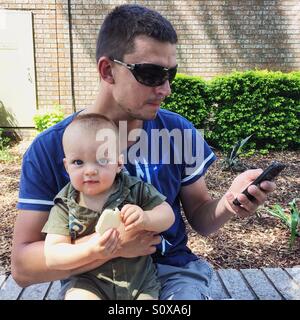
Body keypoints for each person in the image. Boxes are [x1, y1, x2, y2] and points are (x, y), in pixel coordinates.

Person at [12, 4, 276, 300]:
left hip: (173, 275)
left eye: (170, 74)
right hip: (93, 281)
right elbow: (23, 268)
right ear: (107, 70)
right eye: (150, 74)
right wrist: (114, 247)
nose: (165, 89)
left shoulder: (177, 132)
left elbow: (201, 218)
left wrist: (229, 202)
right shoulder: (51, 148)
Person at [42, 114, 174, 300]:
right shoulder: (65, 204)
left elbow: (168, 214)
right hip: (87, 282)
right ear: (66, 166)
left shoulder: (134, 189)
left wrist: (146, 218)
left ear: (119, 163)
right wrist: (91, 249)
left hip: (139, 282)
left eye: (102, 160)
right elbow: (53, 256)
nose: (89, 170)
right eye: (78, 162)